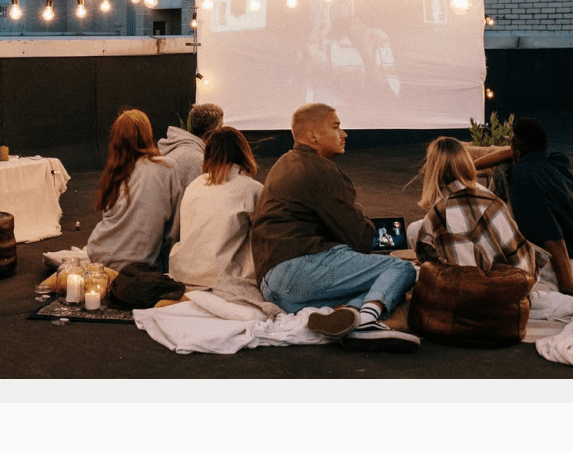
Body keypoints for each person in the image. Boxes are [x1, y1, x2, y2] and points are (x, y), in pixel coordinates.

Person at [250, 103, 420, 352]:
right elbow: (361, 239)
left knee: (369, 282)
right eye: (336, 126)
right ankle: (367, 321)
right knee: (401, 268)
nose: (344, 134)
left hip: (272, 287)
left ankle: (350, 315)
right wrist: (360, 214)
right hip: (298, 268)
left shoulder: (283, 163)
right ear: (313, 136)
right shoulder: (320, 169)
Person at [478, 117, 573, 297]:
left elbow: (552, 236)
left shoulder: (522, 176)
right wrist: (471, 166)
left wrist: (568, 290)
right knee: (504, 167)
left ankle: (485, 221)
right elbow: (508, 154)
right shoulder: (564, 160)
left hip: (565, 251)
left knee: (504, 170)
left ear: (517, 152)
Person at [414, 136, 537, 276]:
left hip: (488, 288)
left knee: (417, 231)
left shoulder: (440, 213)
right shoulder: (488, 196)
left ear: (431, 170)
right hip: (523, 277)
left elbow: (465, 276)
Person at [83, 108, 190, 268]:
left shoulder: (116, 171)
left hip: (100, 255)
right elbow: (173, 230)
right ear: (147, 134)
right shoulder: (167, 168)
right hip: (141, 264)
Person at [166, 126, 264, 289]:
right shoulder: (253, 189)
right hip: (223, 278)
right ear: (244, 152)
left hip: (182, 273)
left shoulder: (194, 185)